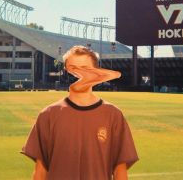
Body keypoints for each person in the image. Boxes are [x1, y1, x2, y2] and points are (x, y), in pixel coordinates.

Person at [21, 45, 139, 180]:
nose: (78, 75)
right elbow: (40, 171)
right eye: (72, 69)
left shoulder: (113, 115)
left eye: (84, 69)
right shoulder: (48, 115)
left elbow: (120, 170)